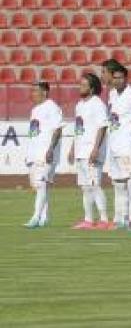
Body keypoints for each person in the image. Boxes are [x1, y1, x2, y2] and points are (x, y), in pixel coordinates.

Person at [68, 74, 111, 230]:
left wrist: (96, 148)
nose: (81, 87)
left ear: (92, 88)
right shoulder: (79, 105)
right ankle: (88, 219)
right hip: (81, 151)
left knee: (95, 185)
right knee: (85, 187)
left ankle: (104, 219)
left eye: (84, 85)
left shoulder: (97, 104)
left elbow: (102, 127)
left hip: (91, 151)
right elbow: (78, 129)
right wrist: (73, 148)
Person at [23, 82, 63, 228]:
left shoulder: (52, 107)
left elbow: (58, 129)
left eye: (35, 91)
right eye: (32, 90)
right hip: (34, 153)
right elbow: (34, 134)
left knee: (41, 185)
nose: (32, 93)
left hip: (46, 153)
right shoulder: (35, 110)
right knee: (39, 186)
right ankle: (44, 217)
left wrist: (51, 149)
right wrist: (29, 153)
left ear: (45, 92)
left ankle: (35, 217)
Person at [106, 65, 131, 229]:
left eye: (121, 77)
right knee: (118, 184)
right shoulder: (112, 94)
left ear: (126, 78)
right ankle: (120, 217)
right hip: (114, 146)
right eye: (115, 77)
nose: (117, 81)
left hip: (128, 146)